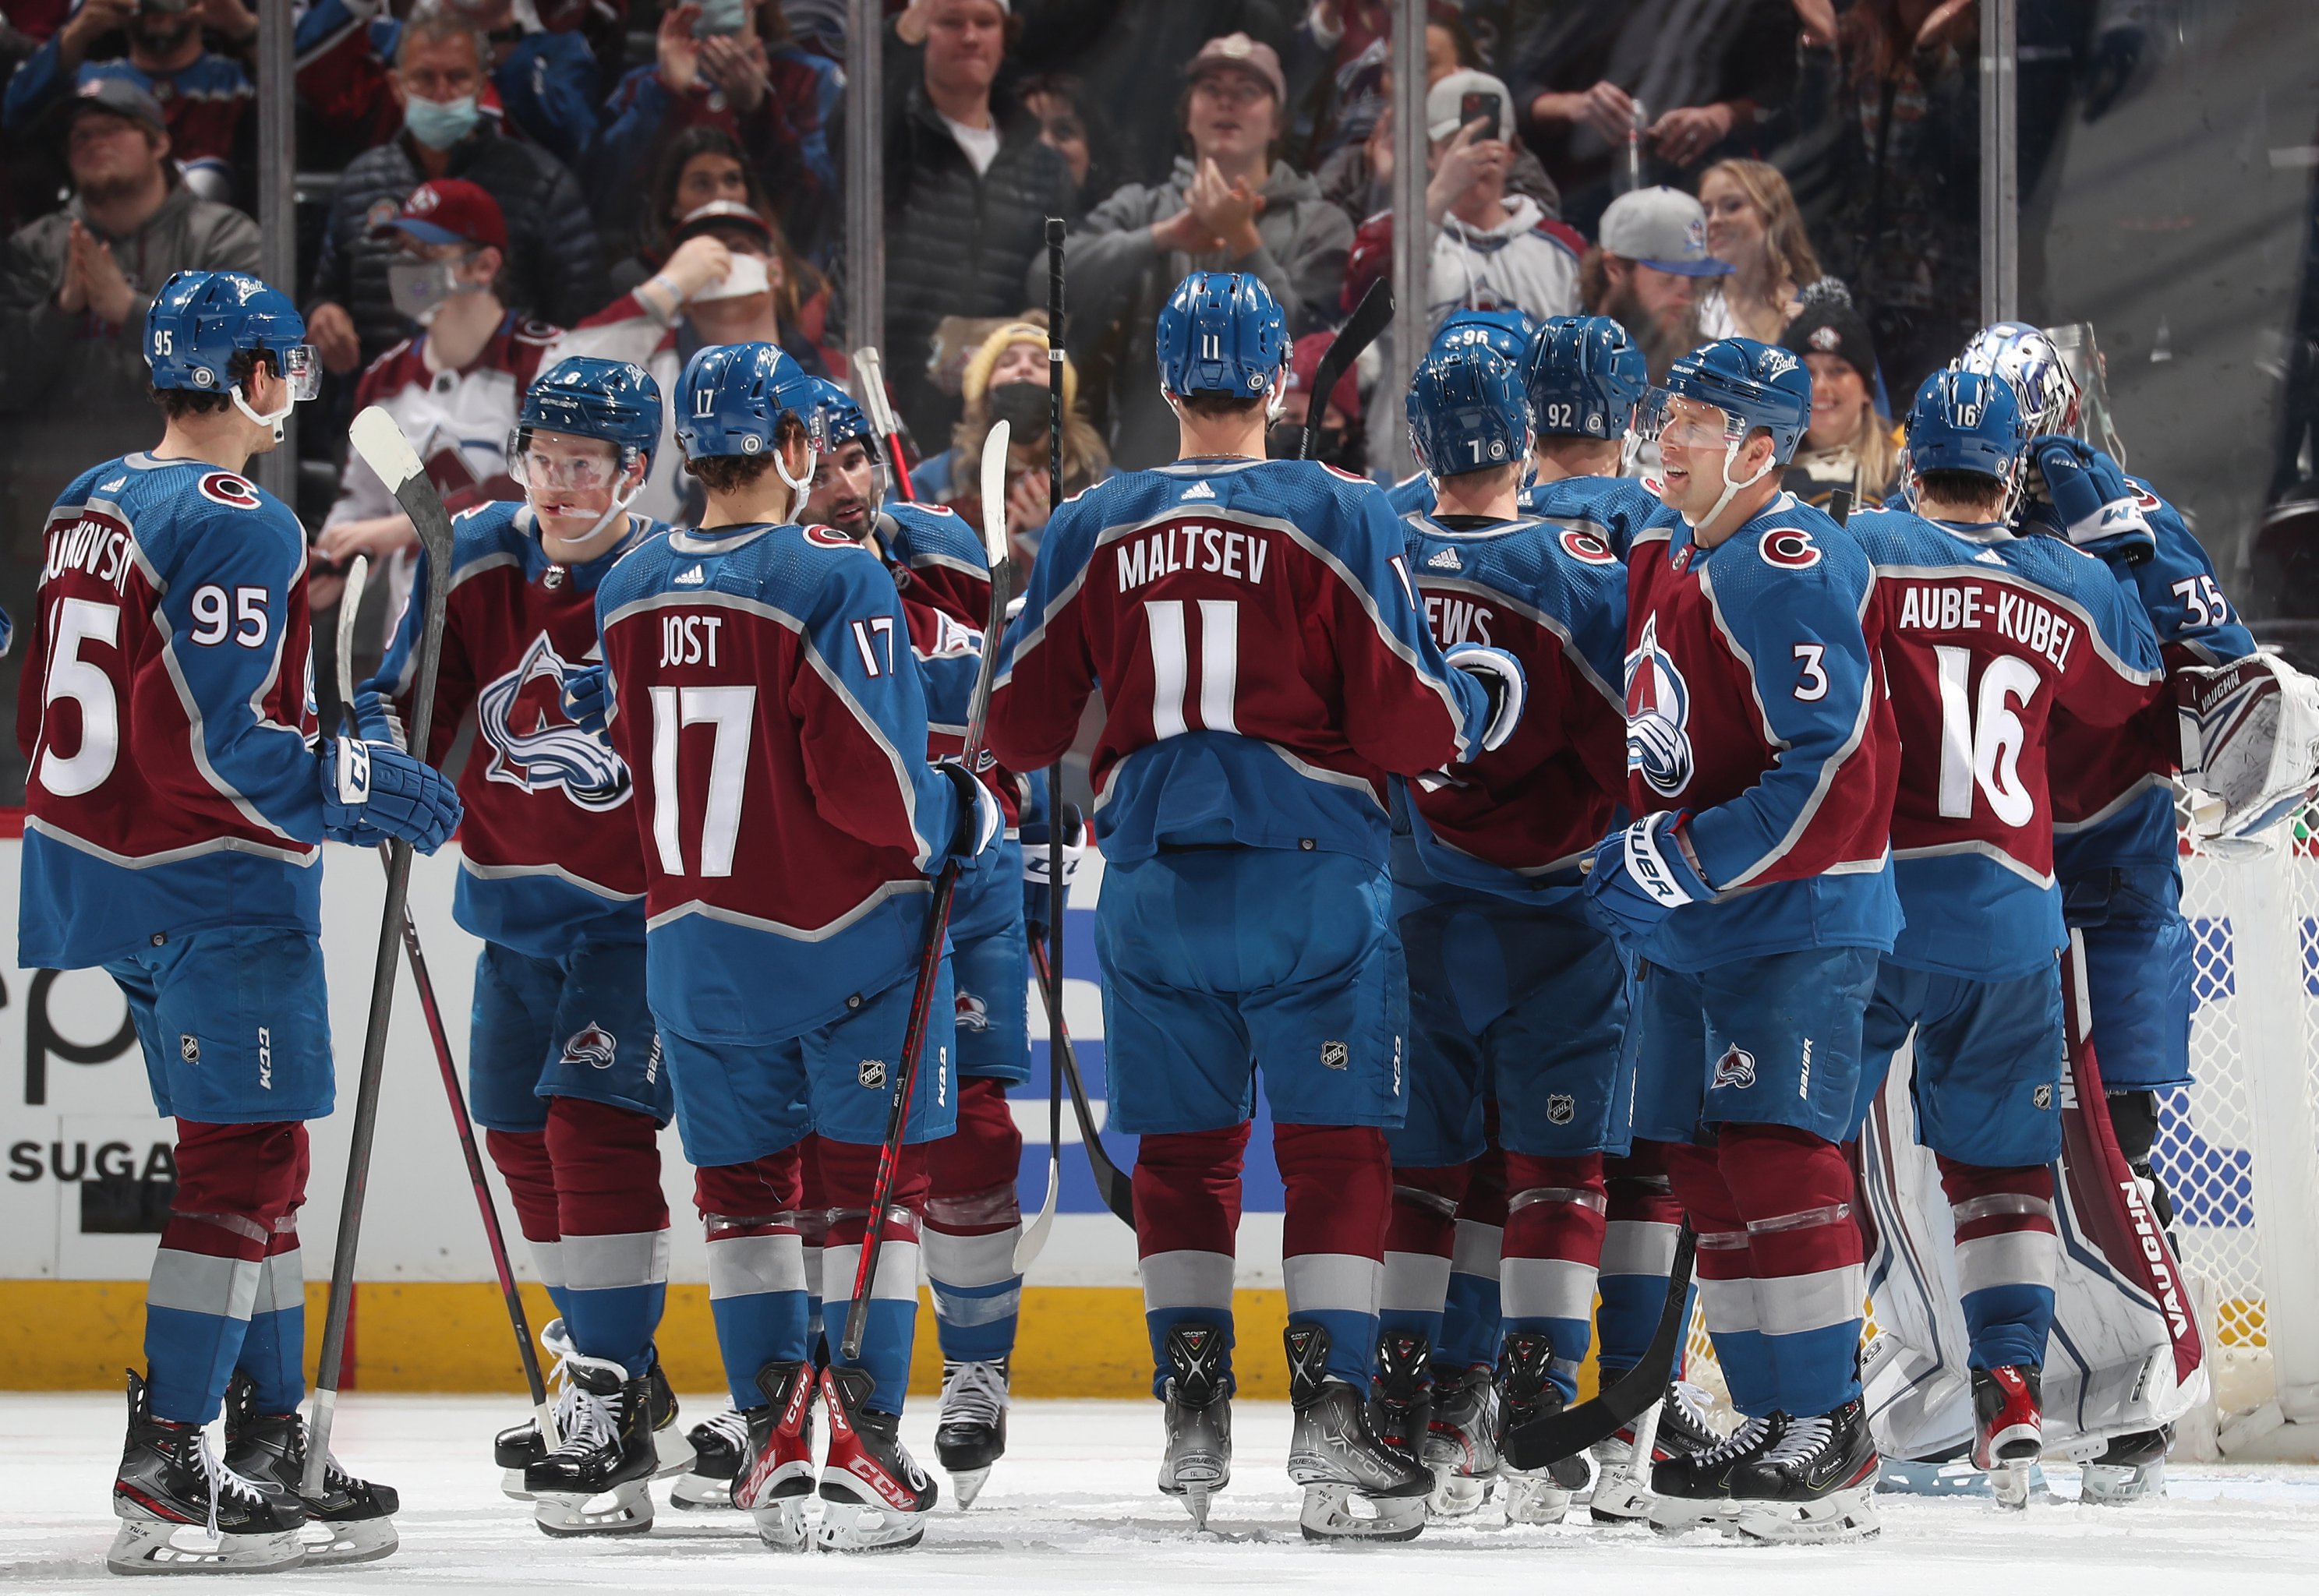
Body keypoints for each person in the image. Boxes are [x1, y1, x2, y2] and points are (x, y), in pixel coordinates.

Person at [984, 270, 1523, 1542]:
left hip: (1157, 884)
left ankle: (1192, 1405)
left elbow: (1015, 725)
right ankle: (1332, 1410)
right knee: (1336, 1148)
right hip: (1312, 881)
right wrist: (1468, 717)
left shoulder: (1092, 520)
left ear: (1168, 385)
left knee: (1182, 1150)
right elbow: (1409, 716)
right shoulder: (1338, 508)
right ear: (1278, 380)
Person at [15, 269, 459, 1574]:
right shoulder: (243, 520)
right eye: (287, 371)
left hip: (111, 874)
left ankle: (269, 1437)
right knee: (237, 1167)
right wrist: (364, 781)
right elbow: (216, 747)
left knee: (261, 1154)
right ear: (260, 377)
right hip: (214, 880)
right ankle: (169, 1460)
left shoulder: (87, 497)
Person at [584, 339, 997, 1553]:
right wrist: (954, 814)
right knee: (871, 1195)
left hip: (689, 946)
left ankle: (773, 1436)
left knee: (742, 1200)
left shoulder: (629, 578)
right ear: (795, 448)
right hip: (837, 938)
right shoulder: (829, 574)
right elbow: (872, 786)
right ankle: (855, 1439)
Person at [352, 356, 691, 1535]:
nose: (553, 482)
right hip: (508, 909)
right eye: (540, 458)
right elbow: (403, 695)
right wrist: (385, 759)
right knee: (514, 1131)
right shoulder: (483, 553)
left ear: (635, 472)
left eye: (582, 464)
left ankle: (598, 1392)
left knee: (589, 1125)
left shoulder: (662, 578)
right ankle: (620, 1367)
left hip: (633, 915)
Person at [1585, 337, 1899, 1542]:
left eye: (1695, 421)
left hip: (1796, 916)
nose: (1666, 435)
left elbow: (1824, 767)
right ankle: (1771, 1419)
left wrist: (1684, 857)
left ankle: (1832, 1425)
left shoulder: (1786, 562)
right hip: (1698, 923)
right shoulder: (1671, 547)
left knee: (1776, 1152)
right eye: (1666, 413)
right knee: (1704, 1167)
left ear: (1761, 450)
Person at [1843, 369, 2164, 1505]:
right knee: (2001, 1172)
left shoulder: (1868, 548)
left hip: (1877, 905)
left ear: (1908, 457)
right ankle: (2011, 1394)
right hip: (2015, 913)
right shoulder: (2060, 579)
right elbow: (2129, 682)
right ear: (2012, 472)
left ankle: (1821, 1393)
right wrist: (2113, 530)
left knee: (1804, 1144)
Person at [1962, 320, 2261, 1505]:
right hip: (2000, 871)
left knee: (2121, 1143)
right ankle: (2001, 1377)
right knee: (1990, 1135)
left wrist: (2130, 565)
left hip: (2116, 868)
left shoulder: (2130, 518)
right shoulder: (1936, 524)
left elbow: (2226, 672)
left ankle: (2137, 1400)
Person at [1377, 337, 1634, 1525]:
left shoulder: (1374, 544)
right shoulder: (1583, 568)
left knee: (1426, 1173)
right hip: (1559, 917)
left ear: (1418, 439)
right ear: (1521, 434)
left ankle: (1416, 1402)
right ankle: (1538, 1406)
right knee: (1557, 1173)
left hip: (1419, 909)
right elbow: (1626, 749)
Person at [801, 375, 1053, 1507]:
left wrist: (1016, 789)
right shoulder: (773, 572)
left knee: (975, 1138)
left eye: (854, 456)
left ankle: (977, 1370)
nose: (841, 481)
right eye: (815, 460)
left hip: (969, 882)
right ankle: (824, 1395)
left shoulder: (951, 551)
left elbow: (1029, 695)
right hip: (839, 898)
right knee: (838, 1156)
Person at [1514, 312, 1721, 1524]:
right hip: (1629, 879)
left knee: (1501, 1165)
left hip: (1482, 883)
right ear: (1627, 407)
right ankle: (1634, 1423)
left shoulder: (1440, 511)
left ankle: (1488, 1409)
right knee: (1642, 1167)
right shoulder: (1664, 529)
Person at [0, 76, 259, 799]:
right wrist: (62, 310)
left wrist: (129, 311)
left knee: (174, 686)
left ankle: (180, 815)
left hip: (187, 505)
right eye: (80, 134)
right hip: (53, 511)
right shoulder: (35, 248)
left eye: (113, 126)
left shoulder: (223, 236)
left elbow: (254, 358)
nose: (93, 142)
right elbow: (5, 379)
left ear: (161, 142)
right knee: (44, 685)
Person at [1059, 31, 1352, 471]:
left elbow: (1310, 350)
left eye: (1247, 91)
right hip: (1146, 470)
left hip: (1274, 476)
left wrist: (1244, 240)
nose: (1226, 102)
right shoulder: (1144, 207)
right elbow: (1053, 277)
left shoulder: (1319, 223)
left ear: (1277, 123)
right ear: (1187, 116)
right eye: (1211, 90)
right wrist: (1161, 237)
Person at [303, 5, 603, 375]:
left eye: (458, 77)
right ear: (397, 87)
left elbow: (585, 319)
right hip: (383, 406)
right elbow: (327, 291)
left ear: (482, 87)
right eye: (425, 78)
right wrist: (323, 314)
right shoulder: (361, 182)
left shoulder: (542, 183)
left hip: (504, 405)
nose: (442, 93)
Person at [312, 179, 560, 627]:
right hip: (415, 644)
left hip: (522, 633)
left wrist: (405, 528)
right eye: (402, 251)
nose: (406, 268)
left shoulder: (547, 363)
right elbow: (362, 507)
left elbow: (550, 489)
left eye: (425, 254)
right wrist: (339, 557)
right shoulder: (383, 379)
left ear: (484, 266)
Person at [546, 197, 820, 526]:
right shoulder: (642, 376)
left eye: (738, 246)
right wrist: (664, 291)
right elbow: (556, 384)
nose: (719, 261)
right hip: (658, 565)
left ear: (774, 270)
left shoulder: (831, 372)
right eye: (699, 254)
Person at [880, 0, 1075, 448]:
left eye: (985, 23)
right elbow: (851, 128)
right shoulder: (892, 136)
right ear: (922, 32)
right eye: (951, 22)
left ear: (1004, 37)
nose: (970, 36)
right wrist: (901, 35)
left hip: (1007, 401)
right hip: (899, 390)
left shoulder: (1042, 163)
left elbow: (1059, 285)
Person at [1340, 70, 1584, 344]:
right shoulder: (1384, 234)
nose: (1472, 157)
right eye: (1453, 144)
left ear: (1512, 151)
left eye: (1486, 143)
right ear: (1429, 155)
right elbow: (1358, 301)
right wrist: (1444, 189)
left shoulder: (1564, 249)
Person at [595, 2, 841, 264]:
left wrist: (761, 113)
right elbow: (607, 200)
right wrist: (668, 96)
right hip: (668, 277)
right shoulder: (643, 86)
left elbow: (822, 204)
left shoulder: (811, 78)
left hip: (781, 279)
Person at [605, 125, 838, 372]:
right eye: (701, 184)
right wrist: (665, 289)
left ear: (774, 271)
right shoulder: (635, 281)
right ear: (672, 202)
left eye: (732, 180)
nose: (721, 195)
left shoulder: (801, 284)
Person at [4, 0, 254, 198]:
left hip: (221, 248)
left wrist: (243, 27)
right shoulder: (87, 83)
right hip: (104, 239)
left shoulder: (245, 79)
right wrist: (78, 32)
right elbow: (14, 116)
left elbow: (291, 97)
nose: (158, 6)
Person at [907, 319, 1110, 557]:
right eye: (1008, 362)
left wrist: (1050, 536)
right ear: (985, 396)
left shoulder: (1100, 480)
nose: (1024, 368)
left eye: (1040, 363)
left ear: (1063, 398)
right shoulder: (941, 481)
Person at [1581, 186, 1727, 382]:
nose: (1688, 295)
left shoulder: (1714, 370)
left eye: (1695, 278)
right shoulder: (1562, 360)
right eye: (1668, 278)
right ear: (1615, 269)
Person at [1695, 158, 1835, 344]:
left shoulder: (1826, 310)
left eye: (1732, 206)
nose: (1714, 220)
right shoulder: (1689, 315)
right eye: (1706, 212)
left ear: (1772, 217)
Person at [1780, 298, 1899, 511]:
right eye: (1808, 371)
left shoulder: (1906, 475)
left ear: (1867, 389)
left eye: (1838, 370)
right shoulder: (1758, 477)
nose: (1820, 386)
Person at [1267, 327, 1364, 475]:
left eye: (1322, 419)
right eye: (1292, 415)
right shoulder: (1241, 489)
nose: (1305, 427)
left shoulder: (1370, 495)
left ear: (1347, 431)